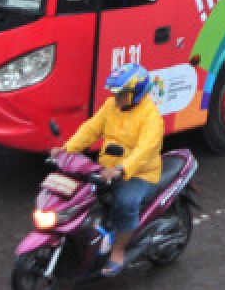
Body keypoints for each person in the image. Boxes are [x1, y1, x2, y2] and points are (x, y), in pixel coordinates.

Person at [54, 63, 164, 277]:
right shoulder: (111, 106)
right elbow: (91, 129)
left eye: (121, 94)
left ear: (136, 93)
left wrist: (122, 169)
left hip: (140, 173)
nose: (116, 98)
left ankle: (118, 251)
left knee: (125, 203)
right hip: (108, 168)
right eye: (115, 93)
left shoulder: (151, 118)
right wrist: (66, 150)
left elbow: (144, 150)